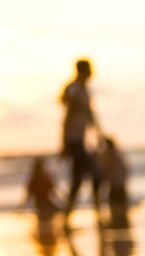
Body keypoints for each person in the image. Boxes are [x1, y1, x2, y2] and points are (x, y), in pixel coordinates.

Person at [60, 58, 102, 221]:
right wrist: (64, 142)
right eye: (90, 69)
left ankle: (68, 216)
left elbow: (90, 115)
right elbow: (67, 116)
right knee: (93, 174)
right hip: (74, 140)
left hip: (81, 141)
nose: (92, 73)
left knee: (80, 179)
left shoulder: (84, 90)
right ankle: (96, 212)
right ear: (83, 70)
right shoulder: (75, 89)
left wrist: (99, 135)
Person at [99, 136, 130, 229]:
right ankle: (121, 224)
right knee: (121, 207)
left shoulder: (111, 156)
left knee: (116, 207)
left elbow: (106, 171)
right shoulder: (117, 155)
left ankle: (119, 224)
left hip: (116, 185)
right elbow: (125, 170)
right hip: (120, 184)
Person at [25, 157, 59, 222]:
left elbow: (28, 194)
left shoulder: (34, 179)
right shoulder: (43, 177)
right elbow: (53, 191)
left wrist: (22, 206)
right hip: (44, 203)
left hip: (40, 204)